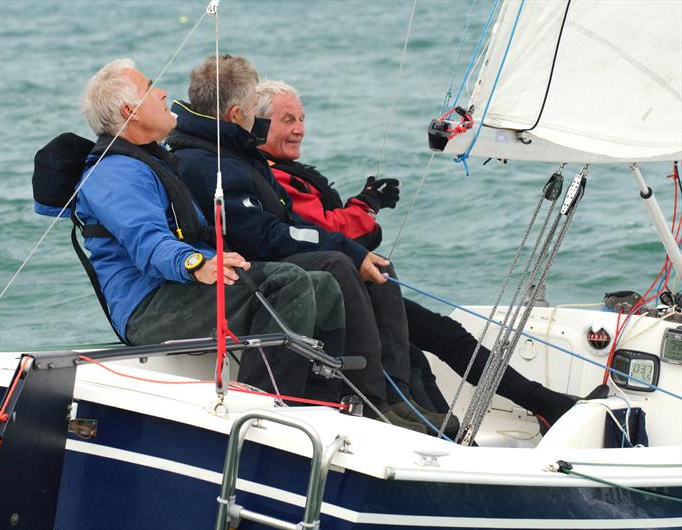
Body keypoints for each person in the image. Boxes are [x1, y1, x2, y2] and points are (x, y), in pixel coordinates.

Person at [254, 79, 600, 428]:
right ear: (259, 123)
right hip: (332, 294)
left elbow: (334, 230)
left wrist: (365, 208)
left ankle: (535, 406)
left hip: (353, 283)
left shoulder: (283, 172)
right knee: (429, 345)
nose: (299, 129)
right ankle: (514, 414)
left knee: (440, 339)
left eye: (301, 118)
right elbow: (326, 231)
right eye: (287, 120)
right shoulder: (272, 177)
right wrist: (366, 206)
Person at [167, 55, 454, 434]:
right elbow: (264, 236)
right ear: (237, 114)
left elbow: (289, 222)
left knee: (374, 266)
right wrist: (345, 248)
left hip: (268, 253)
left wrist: (353, 247)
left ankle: (396, 396)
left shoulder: (235, 153)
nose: (264, 119)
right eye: (257, 108)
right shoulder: (208, 163)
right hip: (247, 269)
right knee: (338, 264)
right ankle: (371, 401)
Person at [74, 58, 348, 402]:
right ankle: (262, 407)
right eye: (149, 88)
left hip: (178, 288)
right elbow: (149, 242)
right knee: (288, 283)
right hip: (149, 307)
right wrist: (196, 264)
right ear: (131, 111)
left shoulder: (150, 159)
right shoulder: (114, 174)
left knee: (323, 286)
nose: (162, 93)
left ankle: (323, 399)